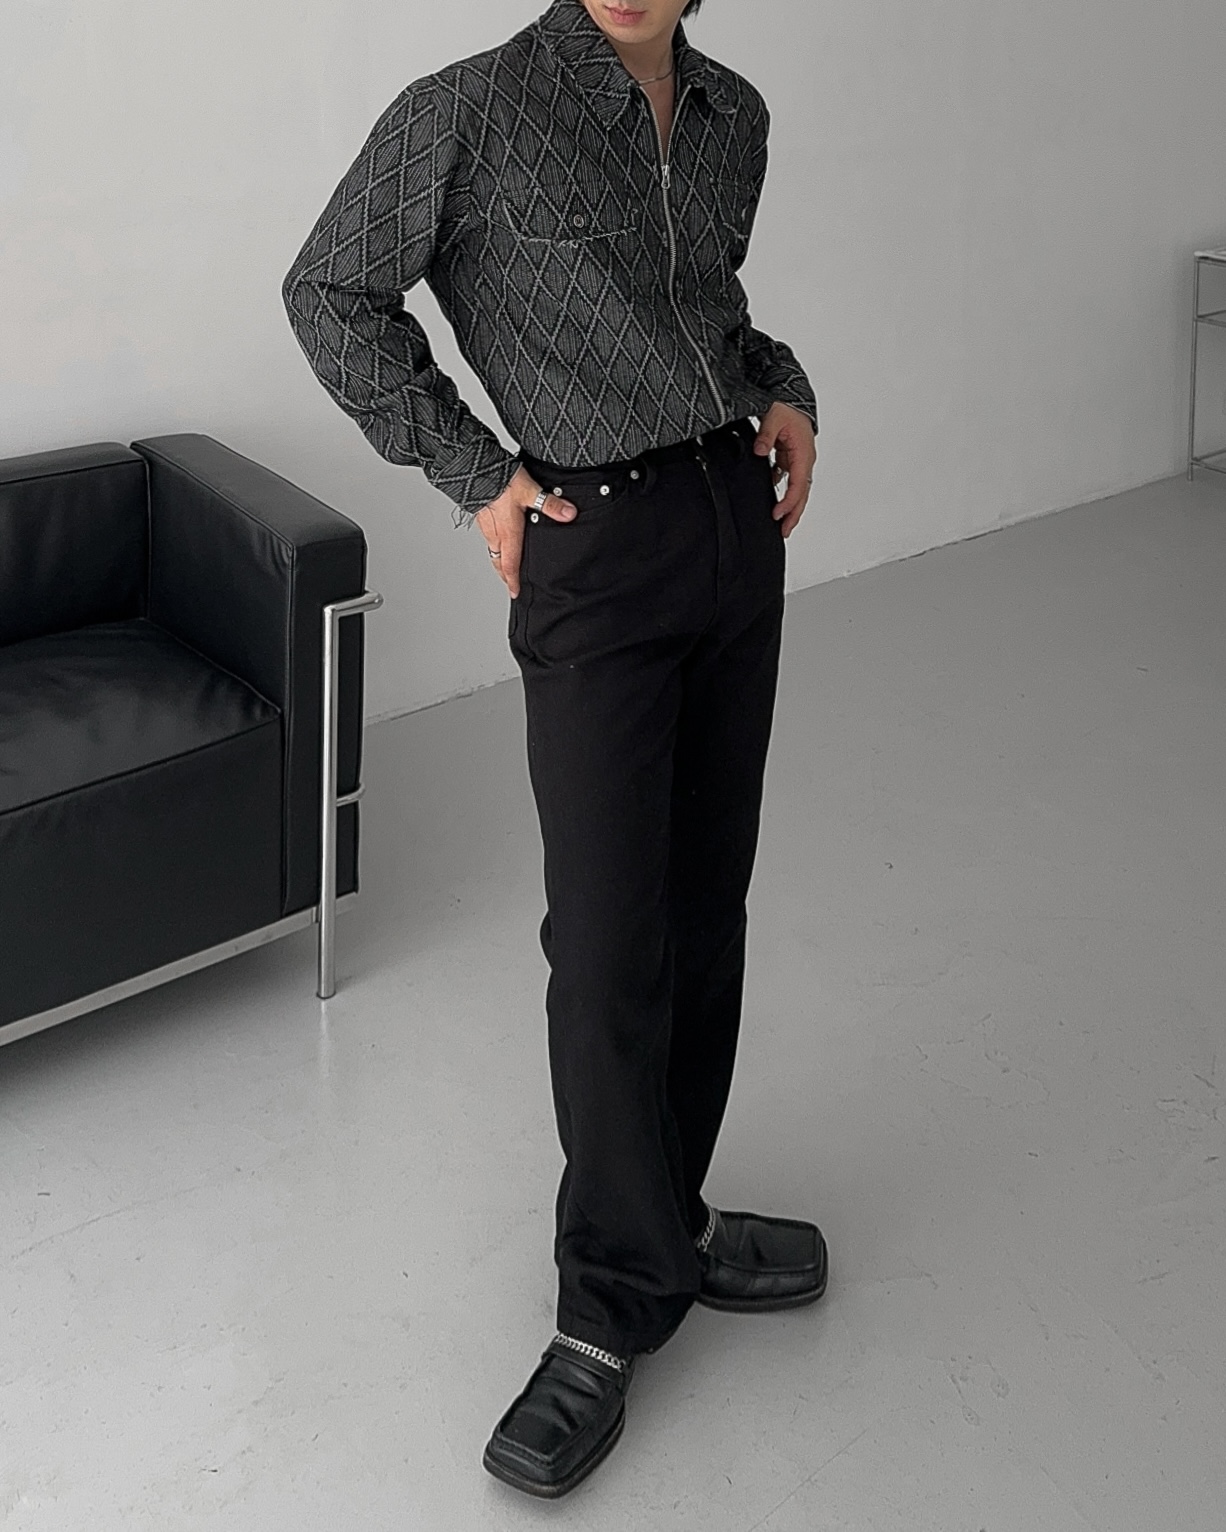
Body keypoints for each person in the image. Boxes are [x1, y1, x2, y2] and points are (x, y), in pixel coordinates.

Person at [282, 0, 827, 1499]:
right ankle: (605, 1311)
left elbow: (706, 309)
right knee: (601, 940)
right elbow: (330, 291)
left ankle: (674, 1219)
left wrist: (782, 387)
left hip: (731, 529)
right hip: (593, 549)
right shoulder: (463, 110)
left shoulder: (733, 115)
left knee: (702, 910)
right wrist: (475, 472)